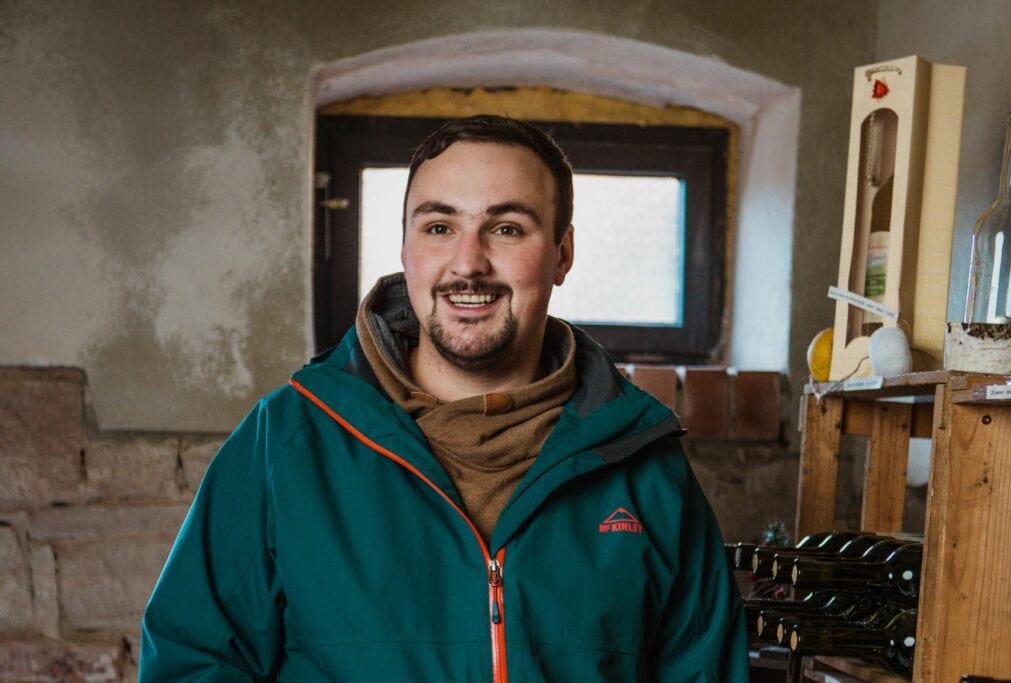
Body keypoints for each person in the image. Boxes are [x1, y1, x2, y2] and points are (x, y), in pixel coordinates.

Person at [140, 114, 749, 681]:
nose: (468, 263)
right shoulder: (289, 441)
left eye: (507, 228)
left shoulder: (643, 462)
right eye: (439, 227)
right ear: (407, 251)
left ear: (561, 253)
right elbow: (194, 660)